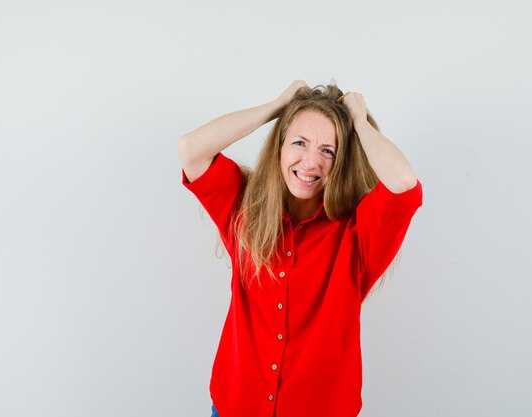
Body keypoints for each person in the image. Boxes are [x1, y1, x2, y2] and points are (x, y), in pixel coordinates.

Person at [178, 80, 423, 417]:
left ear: (341, 161)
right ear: (279, 146)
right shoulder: (246, 208)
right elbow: (191, 148)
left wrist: (359, 123)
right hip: (235, 407)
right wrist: (277, 107)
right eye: (299, 142)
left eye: (328, 150)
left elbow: (403, 182)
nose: (310, 162)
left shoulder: (357, 232)